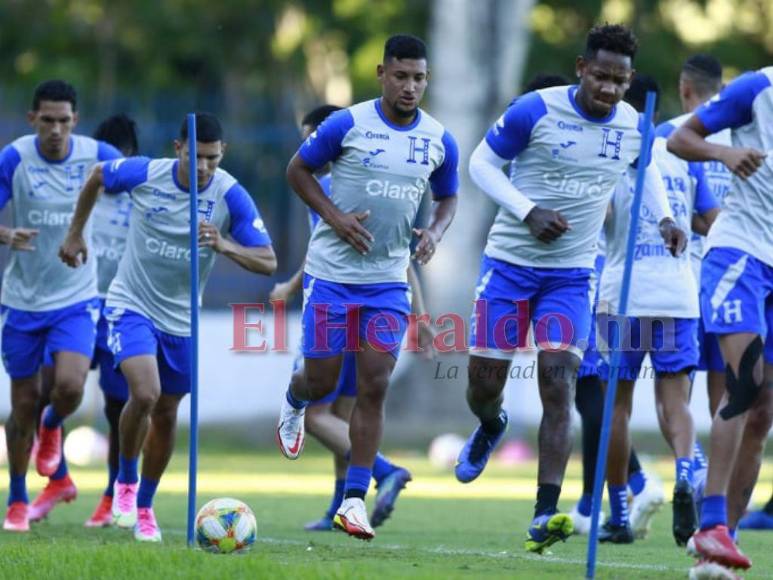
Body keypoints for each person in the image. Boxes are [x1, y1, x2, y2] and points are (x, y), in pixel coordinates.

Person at [461, 24, 683, 554]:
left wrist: (667, 219)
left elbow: (645, 170)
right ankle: (490, 425)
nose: (609, 88)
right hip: (509, 265)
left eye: (620, 80)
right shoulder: (535, 110)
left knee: (558, 383)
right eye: (601, 76)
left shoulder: (632, 124)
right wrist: (527, 210)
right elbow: (480, 164)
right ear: (583, 69)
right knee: (483, 384)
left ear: (629, 82)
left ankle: (545, 512)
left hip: (572, 275)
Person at [59, 112, 277, 542]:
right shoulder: (145, 174)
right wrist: (75, 233)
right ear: (178, 148)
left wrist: (223, 244)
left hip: (182, 318)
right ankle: (124, 482)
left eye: (212, 159)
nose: (203, 168)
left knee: (166, 412)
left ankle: (144, 506)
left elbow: (267, 261)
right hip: (131, 303)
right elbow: (97, 176)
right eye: (195, 157)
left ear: (223, 154)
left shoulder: (230, 193)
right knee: (145, 392)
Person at [276, 34, 459, 541]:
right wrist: (333, 217)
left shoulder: (440, 139)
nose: (410, 87)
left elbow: (448, 198)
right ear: (382, 73)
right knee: (318, 384)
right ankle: (292, 403)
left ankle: (353, 500)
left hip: (385, 283)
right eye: (401, 76)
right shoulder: (348, 124)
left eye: (419, 78)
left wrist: (435, 234)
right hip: (333, 278)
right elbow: (297, 170)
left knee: (374, 386)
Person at [270, 105, 429, 531]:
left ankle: (381, 471)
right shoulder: (326, 185)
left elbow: (393, 254)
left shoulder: (335, 184)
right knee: (342, 409)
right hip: (342, 293)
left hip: (355, 299)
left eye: (316, 139)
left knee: (321, 411)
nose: (312, 148)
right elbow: (332, 245)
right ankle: (339, 505)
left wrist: (420, 311)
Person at [597, 74, 714, 546]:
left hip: (623, 295)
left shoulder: (608, 155)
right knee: (675, 404)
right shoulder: (683, 157)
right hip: (678, 292)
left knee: (616, 407)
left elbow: (598, 218)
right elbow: (708, 221)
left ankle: (620, 510)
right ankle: (688, 467)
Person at [0, 80, 122, 532]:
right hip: (21, 300)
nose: (55, 129)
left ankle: (53, 428)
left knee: (69, 388)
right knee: (23, 402)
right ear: (32, 119)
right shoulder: (15, 158)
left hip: (75, 297)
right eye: (47, 120)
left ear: (76, 120)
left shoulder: (98, 154)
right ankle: (16, 498)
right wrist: (6, 234)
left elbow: (143, 179)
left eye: (64, 121)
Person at [668, 66, 773, 573]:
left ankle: (719, 547)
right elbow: (679, 138)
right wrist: (727, 153)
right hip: (740, 256)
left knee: (764, 409)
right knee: (745, 384)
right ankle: (709, 525)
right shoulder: (757, 89)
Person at [25, 114, 139, 526]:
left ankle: (114, 494)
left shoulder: (139, 197)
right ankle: (57, 479)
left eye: (121, 160)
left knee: (118, 407)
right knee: (46, 390)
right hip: (74, 305)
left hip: (118, 311)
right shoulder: (77, 192)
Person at [658, 54, 731, 419]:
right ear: (723, 90)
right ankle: (719, 469)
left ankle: (692, 464)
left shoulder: (665, 134)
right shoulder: (743, 134)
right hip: (731, 276)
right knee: (726, 387)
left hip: (680, 276)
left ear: (684, 88)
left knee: (673, 388)